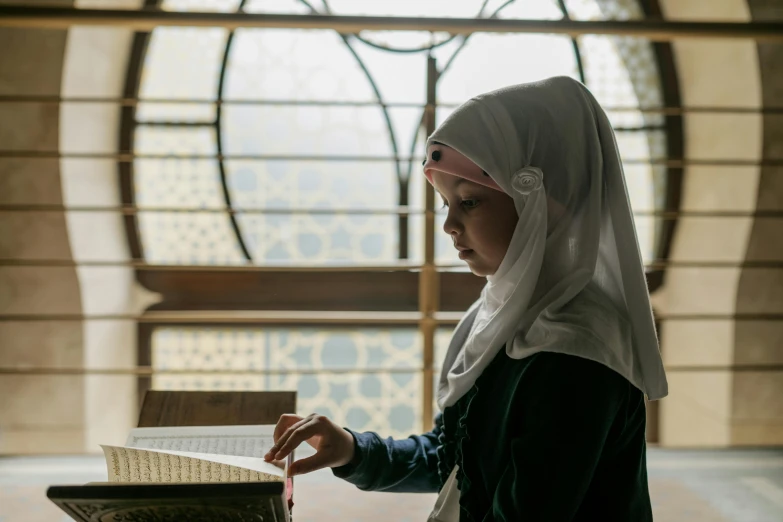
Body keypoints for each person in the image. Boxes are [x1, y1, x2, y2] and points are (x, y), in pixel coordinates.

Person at [264, 76, 669, 521]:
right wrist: (352, 449)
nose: (449, 226)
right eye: (445, 204)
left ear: (543, 203)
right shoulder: (504, 313)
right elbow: (454, 459)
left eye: (470, 202)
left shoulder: (575, 354)